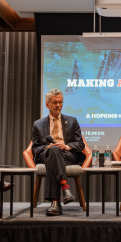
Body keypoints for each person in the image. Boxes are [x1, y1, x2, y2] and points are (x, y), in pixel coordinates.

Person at [32, 88, 85, 216]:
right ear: (47, 104)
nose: (58, 105)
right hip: (47, 154)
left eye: (60, 102)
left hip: (67, 155)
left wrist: (67, 146)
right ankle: (65, 186)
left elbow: (80, 144)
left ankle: (55, 203)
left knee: (54, 158)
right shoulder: (38, 124)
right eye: (55, 102)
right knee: (54, 150)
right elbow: (35, 149)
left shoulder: (72, 121)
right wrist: (48, 148)